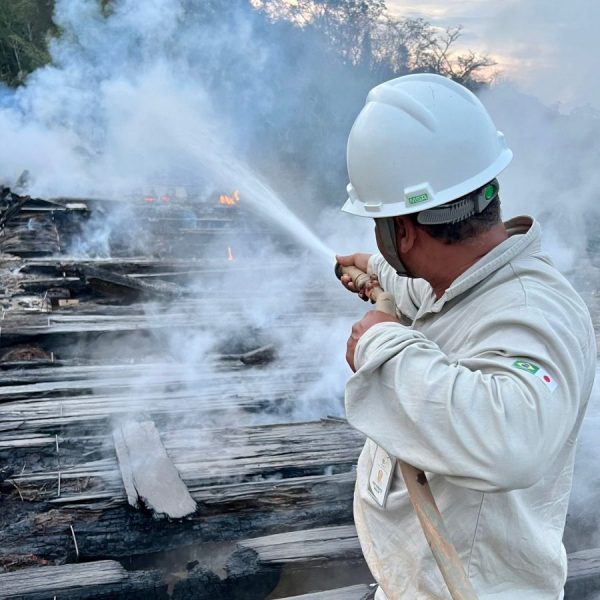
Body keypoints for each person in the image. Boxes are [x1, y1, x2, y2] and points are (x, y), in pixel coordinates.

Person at [336, 73, 597, 599]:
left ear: (402, 232)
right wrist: (375, 271)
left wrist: (380, 343)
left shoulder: (535, 310)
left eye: (379, 225)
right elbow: (430, 298)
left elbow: (511, 438)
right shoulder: (467, 283)